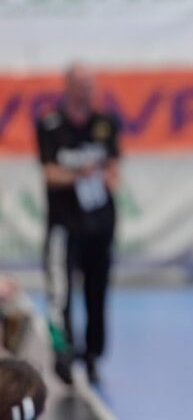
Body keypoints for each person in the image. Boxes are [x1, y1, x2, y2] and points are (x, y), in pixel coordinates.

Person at [34, 64, 120, 385]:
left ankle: (93, 356)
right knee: (61, 294)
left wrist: (106, 176)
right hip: (64, 226)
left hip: (100, 225)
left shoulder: (105, 123)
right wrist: (78, 174)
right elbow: (49, 173)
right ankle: (64, 355)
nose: (87, 90)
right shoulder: (50, 124)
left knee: (97, 294)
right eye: (80, 84)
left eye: (90, 84)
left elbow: (113, 167)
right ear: (68, 87)